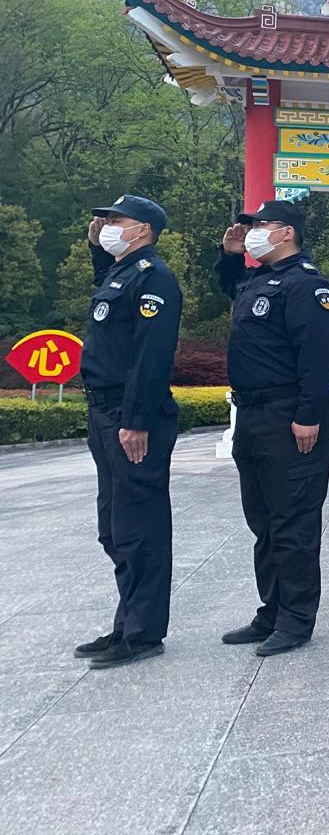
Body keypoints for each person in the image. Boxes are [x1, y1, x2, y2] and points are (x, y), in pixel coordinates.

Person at [215, 200, 329, 656]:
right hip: (253, 416)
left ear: (286, 232)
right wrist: (230, 255)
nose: (250, 231)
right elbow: (228, 286)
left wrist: (308, 415)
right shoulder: (257, 279)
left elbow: (318, 356)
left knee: (294, 522)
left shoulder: (306, 285)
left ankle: (296, 620)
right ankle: (272, 610)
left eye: (259, 225)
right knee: (263, 521)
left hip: (289, 415)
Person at [74, 195, 182, 669]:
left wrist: (136, 420)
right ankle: (125, 622)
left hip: (131, 415)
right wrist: (96, 246)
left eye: (116, 221)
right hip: (104, 412)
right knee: (114, 528)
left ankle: (142, 633)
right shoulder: (121, 274)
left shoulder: (153, 277)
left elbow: (149, 356)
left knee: (140, 527)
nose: (106, 226)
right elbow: (110, 307)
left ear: (142, 230)